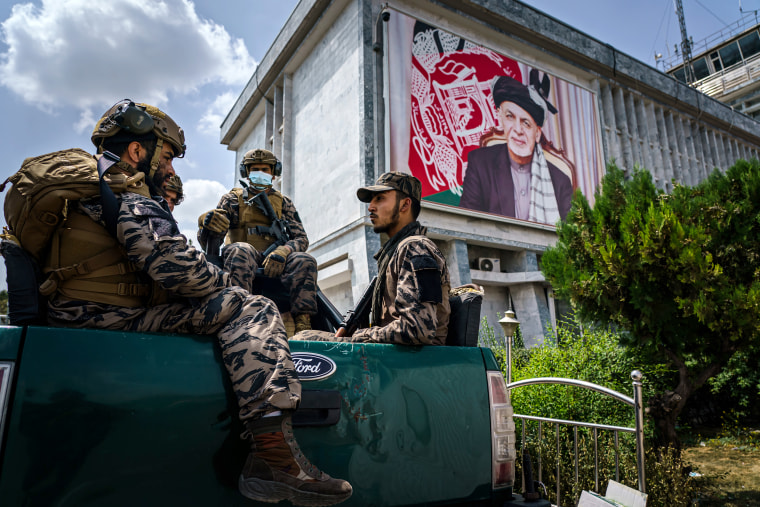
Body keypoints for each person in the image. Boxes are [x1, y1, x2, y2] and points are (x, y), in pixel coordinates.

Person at [43, 99, 351, 506]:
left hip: (83, 315)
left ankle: (298, 324)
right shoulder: (126, 195)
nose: (170, 169)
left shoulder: (91, 188)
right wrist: (226, 282)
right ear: (138, 151)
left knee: (286, 270)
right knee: (252, 307)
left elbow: (299, 239)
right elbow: (178, 269)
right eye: (166, 157)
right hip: (109, 319)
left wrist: (281, 253)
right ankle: (274, 460)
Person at [297, 172, 451, 345]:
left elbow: (417, 329)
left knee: (302, 342)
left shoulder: (415, 248)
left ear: (405, 204)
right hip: (396, 355)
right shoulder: (397, 252)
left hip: (414, 360)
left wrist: (362, 336)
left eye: (380, 198)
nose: (370, 207)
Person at [198, 149, 317, 334]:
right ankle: (239, 315)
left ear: (273, 173)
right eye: (255, 169)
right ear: (246, 172)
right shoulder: (232, 200)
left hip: (276, 260)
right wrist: (208, 225)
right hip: (243, 257)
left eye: (265, 169)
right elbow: (211, 244)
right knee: (241, 249)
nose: (260, 174)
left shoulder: (284, 202)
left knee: (304, 260)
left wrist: (283, 252)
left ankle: (303, 324)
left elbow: (301, 238)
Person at [459, 73, 573, 223]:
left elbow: (570, 237)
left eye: (526, 123)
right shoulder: (480, 162)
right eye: (510, 117)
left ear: (537, 133)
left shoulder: (560, 182)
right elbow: (467, 223)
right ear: (501, 118)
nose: (518, 129)